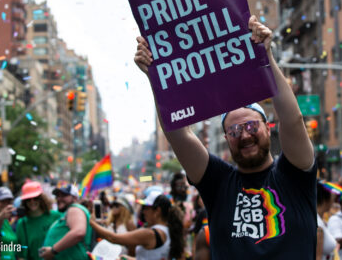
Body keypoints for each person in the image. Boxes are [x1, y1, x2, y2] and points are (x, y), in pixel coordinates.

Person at [134, 15, 316, 259]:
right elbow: (179, 137)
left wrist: (266, 57)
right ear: (226, 138)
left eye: (251, 126)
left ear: (268, 128)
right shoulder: (218, 183)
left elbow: (292, 121)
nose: (244, 136)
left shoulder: (294, 174)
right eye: (234, 131)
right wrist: (156, 78)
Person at [89, 191, 185, 260]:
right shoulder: (168, 230)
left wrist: (93, 223)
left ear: (157, 211)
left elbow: (114, 238)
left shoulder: (149, 233)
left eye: (146, 208)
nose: (143, 212)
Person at [39, 184, 91, 260]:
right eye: (57, 196)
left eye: (63, 195)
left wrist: (53, 251)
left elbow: (78, 232)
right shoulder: (67, 213)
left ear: (75, 198)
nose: (59, 199)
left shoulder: (74, 209)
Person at [16, 181, 61, 260]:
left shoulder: (56, 216)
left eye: (35, 198)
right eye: (28, 199)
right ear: (24, 202)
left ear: (41, 199)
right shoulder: (22, 223)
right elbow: (21, 254)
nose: (32, 201)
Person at [316, 182, 339, 260]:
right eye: (333, 199)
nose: (333, 203)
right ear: (326, 199)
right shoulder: (318, 225)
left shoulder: (320, 221)